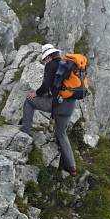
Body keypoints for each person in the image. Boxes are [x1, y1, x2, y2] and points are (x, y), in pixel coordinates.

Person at [19, 43, 78, 175]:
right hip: (69, 106)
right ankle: (71, 167)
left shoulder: (51, 65)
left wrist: (37, 93)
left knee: (29, 101)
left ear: (49, 56)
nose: (45, 60)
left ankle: (25, 133)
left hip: (57, 105)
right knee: (61, 133)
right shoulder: (66, 65)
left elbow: (46, 86)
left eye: (45, 58)